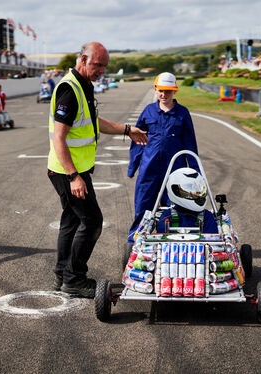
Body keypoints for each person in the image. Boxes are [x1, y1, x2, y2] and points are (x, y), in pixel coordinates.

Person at [47, 41, 148, 298]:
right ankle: (74, 279)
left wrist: (127, 129)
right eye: (97, 64)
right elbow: (59, 137)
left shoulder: (84, 86)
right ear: (83, 59)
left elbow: (94, 122)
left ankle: (62, 275)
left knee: (71, 221)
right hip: (69, 171)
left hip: (72, 170)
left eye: (105, 65)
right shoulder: (70, 90)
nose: (102, 70)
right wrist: (73, 176)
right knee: (92, 222)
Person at [127, 72, 199, 244]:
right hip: (149, 169)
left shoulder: (182, 113)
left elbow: (190, 144)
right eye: (160, 90)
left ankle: (175, 241)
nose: (163, 95)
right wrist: (133, 167)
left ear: (175, 91)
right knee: (143, 206)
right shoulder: (148, 111)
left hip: (175, 170)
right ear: (155, 89)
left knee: (176, 207)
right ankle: (136, 241)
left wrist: (196, 171)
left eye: (168, 91)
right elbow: (137, 142)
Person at [154, 167, 218, 234]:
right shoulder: (167, 216)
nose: (196, 193)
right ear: (176, 191)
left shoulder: (207, 217)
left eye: (198, 189)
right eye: (190, 189)